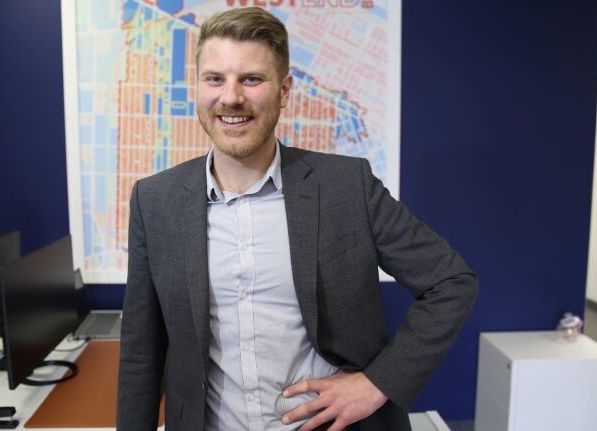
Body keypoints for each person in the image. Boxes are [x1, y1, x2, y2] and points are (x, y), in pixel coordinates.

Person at [118, 7, 478, 431]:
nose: (231, 97)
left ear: (285, 90)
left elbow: (451, 282)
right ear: (198, 87)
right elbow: (143, 350)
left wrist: (377, 383)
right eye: (215, 78)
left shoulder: (347, 186)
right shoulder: (154, 200)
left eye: (251, 79)